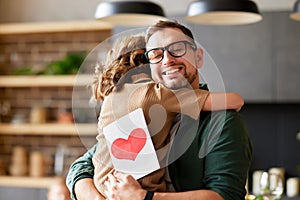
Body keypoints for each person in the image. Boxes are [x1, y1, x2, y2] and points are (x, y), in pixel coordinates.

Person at [66, 20, 252, 200]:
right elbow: (81, 166)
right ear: (149, 66)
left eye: (178, 49)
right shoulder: (144, 109)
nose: (168, 60)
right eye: (156, 54)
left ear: (199, 57)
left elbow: (226, 196)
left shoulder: (223, 122)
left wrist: (143, 198)